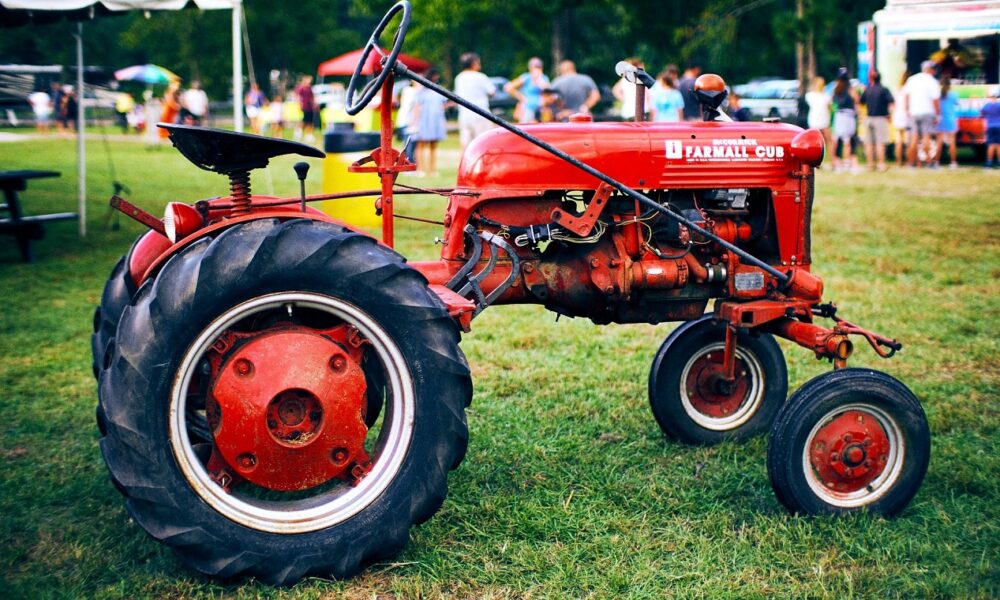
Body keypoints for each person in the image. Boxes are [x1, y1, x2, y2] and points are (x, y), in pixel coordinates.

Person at [410, 69, 449, 177]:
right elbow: (417, 107)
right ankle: (420, 169)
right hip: (424, 121)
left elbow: (444, 104)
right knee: (420, 145)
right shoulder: (421, 92)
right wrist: (414, 122)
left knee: (433, 145)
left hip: (435, 121)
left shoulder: (439, 90)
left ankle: (432, 170)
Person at [453, 52, 496, 150]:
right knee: (483, 144)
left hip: (464, 115)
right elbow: (492, 92)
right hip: (481, 114)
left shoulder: (459, 78)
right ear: (474, 63)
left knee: (466, 145)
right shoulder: (480, 76)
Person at [903, 60, 941, 168]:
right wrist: (938, 114)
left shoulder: (912, 79)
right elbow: (935, 100)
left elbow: (906, 95)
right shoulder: (932, 82)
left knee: (914, 138)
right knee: (926, 137)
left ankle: (911, 163)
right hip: (927, 111)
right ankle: (929, 162)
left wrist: (907, 109)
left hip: (914, 111)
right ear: (930, 70)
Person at [860, 70, 894, 171]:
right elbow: (891, 102)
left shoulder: (868, 89)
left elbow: (861, 102)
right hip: (881, 118)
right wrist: (890, 115)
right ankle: (881, 164)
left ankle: (870, 164)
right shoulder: (884, 89)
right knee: (880, 142)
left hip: (869, 118)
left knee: (869, 143)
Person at [831, 70, 860, 172]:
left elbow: (833, 103)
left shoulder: (836, 89)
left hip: (840, 116)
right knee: (847, 141)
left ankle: (837, 164)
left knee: (837, 140)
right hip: (848, 116)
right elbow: (856, 101)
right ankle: (848, 163)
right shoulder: (850, 89)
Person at [505, 57, 549, 124]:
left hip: (541, 110)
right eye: (535, 67)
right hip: (527, 109)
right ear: (530, 68)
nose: (536, 69)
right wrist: (522, 98)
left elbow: (549, 91)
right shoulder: (526, 77)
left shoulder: (544, 78)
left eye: (538, 67)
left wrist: (538, 80)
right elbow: (508, 87)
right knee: (525, 128)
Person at [934, 77, 959, 168]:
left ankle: (936, 162)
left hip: (940, 119)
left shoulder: (938, 95)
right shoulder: (954, 94)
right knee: (952, 142)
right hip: (951, 119)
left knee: (939, 142)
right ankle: (953, 162)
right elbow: (957, 104)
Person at [892, 70, 910, 167]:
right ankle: (907, 160)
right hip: (905, 114)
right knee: (907, 140)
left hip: (897, 114)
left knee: (898, 139)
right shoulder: (908, 89)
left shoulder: (897, 89)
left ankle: (898, 161)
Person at [805, 76, 831, 143]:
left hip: (819, 120)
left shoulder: (810, 96)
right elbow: (829, 108)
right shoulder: (825, 96)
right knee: (826, 139)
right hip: (818, 120)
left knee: (825, 139)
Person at [295, 75, 317, 143]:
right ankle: (298, 132)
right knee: (304, 120)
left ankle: (309, 135)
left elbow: (312, 97)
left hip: (310, 107)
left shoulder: (309, 88)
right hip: (304, 106)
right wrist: (299, 103)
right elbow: (297, 96)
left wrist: (314, 104)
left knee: (310, 121)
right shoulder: (301, 88)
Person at [982, 89, 1000, 168]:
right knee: (999, 145)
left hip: (990, 126)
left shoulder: (987, 105)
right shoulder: (999, 105)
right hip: (999, 126)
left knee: (991, 145)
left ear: (990, 96)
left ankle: (989, 163)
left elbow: (982, 113)